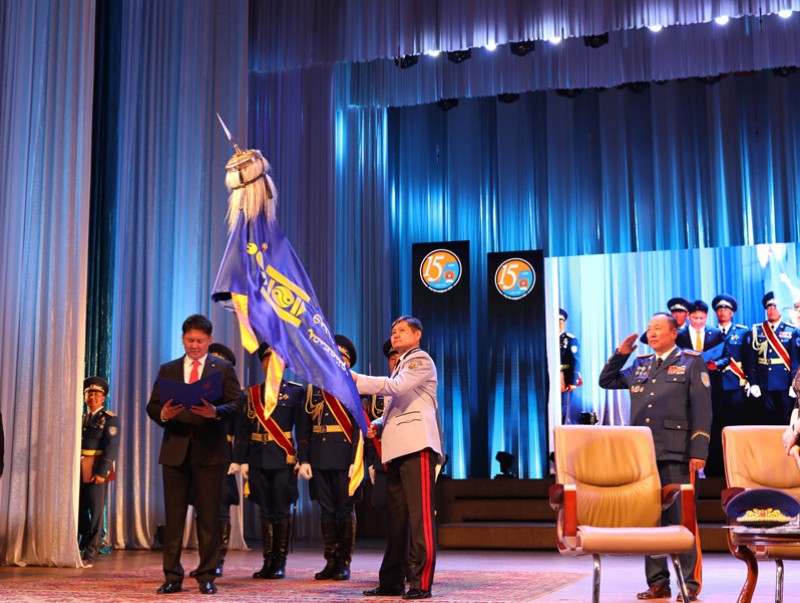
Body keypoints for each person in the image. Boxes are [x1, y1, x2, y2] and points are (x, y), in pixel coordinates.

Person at [599, 312, 711, 601]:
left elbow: (702, 409)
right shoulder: (640, 364)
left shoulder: (691, 362)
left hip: (678, 454)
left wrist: (698, 451)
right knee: (652, 521)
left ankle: (690, 584)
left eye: (658, 328)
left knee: (683, 521)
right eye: (649, 328)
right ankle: (658, 582)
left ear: (674, 333)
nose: (652, 333)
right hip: (644, 455)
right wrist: (620, 354)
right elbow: (606, 381)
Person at [146, 314, 242, 595]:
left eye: (200, 341)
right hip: (175, 450)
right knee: (174, 516)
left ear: (209, 340)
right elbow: (153, 406)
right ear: (182, 339)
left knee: (209, 517)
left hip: (210, 452)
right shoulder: (169, 369)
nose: (194, 345)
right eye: (190, 340)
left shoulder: (222, 369)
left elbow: (237, 403)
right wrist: (164, 413)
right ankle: (172, 576)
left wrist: (216, 412)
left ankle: (207, 575)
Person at [353, 316, 444, 601]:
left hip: (417, 447)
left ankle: (421, 582)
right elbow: (395, 407)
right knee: (396, 521)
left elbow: (396, 388)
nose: (395, 335)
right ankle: (392, 580)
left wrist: (356, 379)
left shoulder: (420, 360)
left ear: (417, 335)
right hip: (396, 451)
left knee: (420, 519)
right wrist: (378, 423)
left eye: (402, 330)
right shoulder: (400, 367)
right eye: (393, 331)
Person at [232, 341, 304, 579]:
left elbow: (303, 429)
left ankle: (280, 562)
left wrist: (304, 459)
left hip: (283, 458)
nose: (271, 363)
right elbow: (243, 430)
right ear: (262, 364)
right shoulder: (251, 394)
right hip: (258, 458)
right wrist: (240, 460)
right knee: (265, 511)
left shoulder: (295, 392)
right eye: (267, 359)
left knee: (281, 510)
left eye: (277, 359)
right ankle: (268, 562)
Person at [296, 334, 362, 581]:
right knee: (326, 511)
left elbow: (359, 428)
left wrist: (357, 459)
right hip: (320, 456)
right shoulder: (313, 388)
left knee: (345, 510)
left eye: (343, 358)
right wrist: (303, 459)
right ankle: (330, 560)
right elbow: (304, 427)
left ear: (348, 362)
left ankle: (344, 562)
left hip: (345, 458)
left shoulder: (355, 387)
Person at [188, 342, 241, 578]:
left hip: (222, 456)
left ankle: (217, 559)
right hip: (198, 454)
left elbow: (242, 430)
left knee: (220, 510)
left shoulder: (234, 395)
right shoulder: (195, 392)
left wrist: (238, 459)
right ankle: (204, 560)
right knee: (201, 510)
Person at [705, 295, 749, 476]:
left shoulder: (743, 332)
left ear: (732, 313)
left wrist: (751, 381)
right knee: (715, 427)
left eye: (726, 309)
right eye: (719, 309)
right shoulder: (709, 334)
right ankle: (715, 469)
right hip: (714, 387)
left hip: (735, 387)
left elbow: (748, 358)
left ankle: (738, 468)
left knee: (735, 427)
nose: (722, 312)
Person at [78, 376, 120, 567]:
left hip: (97, 467)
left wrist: (102, 472)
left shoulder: (109, 419)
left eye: (96, 394)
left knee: (96, 512)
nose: (92, 397)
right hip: (80, 468)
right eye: (89, 394)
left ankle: (90, 552)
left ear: (103, 398)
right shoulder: (82, 418)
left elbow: (111, 447)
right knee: (80, 510)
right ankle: (85, 542)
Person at [745, 292, 800, 425]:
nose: (772, 310)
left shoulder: (791, 330)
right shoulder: (757, 330)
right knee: (766, 420)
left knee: (786, 418)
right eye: (769, 307)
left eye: (775, 306)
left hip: (784, 383)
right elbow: (752, 360)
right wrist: (753, 382)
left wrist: (794, 384)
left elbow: (795, 360)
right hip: (764, 383)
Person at [558, 309, 582, 424]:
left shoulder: (570, 339)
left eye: (561, 320)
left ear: (565, 323)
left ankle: (559, 430)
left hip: (564, 379)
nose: (558, 323)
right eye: (556, 320)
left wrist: (573, 381)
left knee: (561, 408)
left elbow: (575, 360)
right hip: (546, 377)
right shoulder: (545, 338)